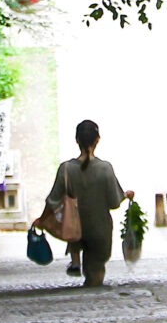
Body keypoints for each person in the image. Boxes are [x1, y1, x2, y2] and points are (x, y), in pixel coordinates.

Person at [46, 119, 132, 288]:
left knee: (80, 251)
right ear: (97, 139)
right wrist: (126, 195)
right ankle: (92, 293)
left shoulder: (66, 169)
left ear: (77, 140)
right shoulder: (105, 168)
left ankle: (75, 260)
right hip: (99, 229)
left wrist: (42, 220)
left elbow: (53, 200)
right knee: (96, 271)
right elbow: (114, 202)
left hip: (74, 229)